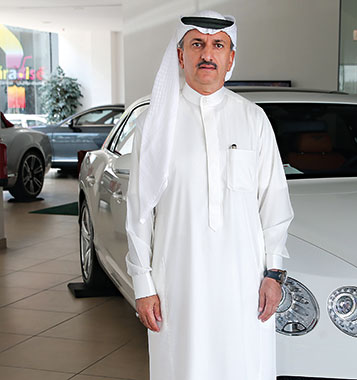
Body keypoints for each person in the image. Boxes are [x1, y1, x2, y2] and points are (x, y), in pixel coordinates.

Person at [125, 10, 294, 380]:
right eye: (197, 44)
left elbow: (275, 204)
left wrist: (274, 273)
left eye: (218, 45)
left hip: (245, 284)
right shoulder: (155, 123)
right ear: (181, 54)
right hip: (178, 285)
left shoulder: (253, 119)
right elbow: (139, 211)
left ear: (231, 57)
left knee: (244, 367)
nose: (208, 54)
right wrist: (143, 284)